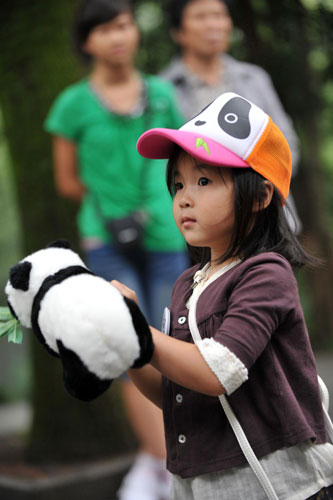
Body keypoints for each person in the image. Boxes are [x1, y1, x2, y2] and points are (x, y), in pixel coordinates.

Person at [111, 92, 333, 500]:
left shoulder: (266, 273)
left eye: (204, 180)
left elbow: (217, 372)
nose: (184, 197)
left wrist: (141, 330)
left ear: (261, 195)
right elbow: (172, 391)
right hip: (203, 485)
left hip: (281, 487)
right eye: (177, 183)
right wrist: (126, 341)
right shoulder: (186, 284)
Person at [44, 1, 189, 499]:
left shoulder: (165, 93)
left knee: (174, 339)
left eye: (124, 24)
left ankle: (171, 461)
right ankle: (167, 467)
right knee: (130, 347)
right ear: (87, 42)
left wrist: (151, 205)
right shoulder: (71, 105)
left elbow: (181, 159)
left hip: (166, 234)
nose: (118, 36)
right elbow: (66, 181)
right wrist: (114, 204)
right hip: (106, 239)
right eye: (104, 29)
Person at [161, 0, 301, 233]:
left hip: (263, 222)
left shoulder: (254, 79)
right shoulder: (164, 88)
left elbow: (286, 144)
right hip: (197, 229)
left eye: (219, 15)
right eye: (201, 17)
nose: (213, 24)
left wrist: (250, 191)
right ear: (179, 32)